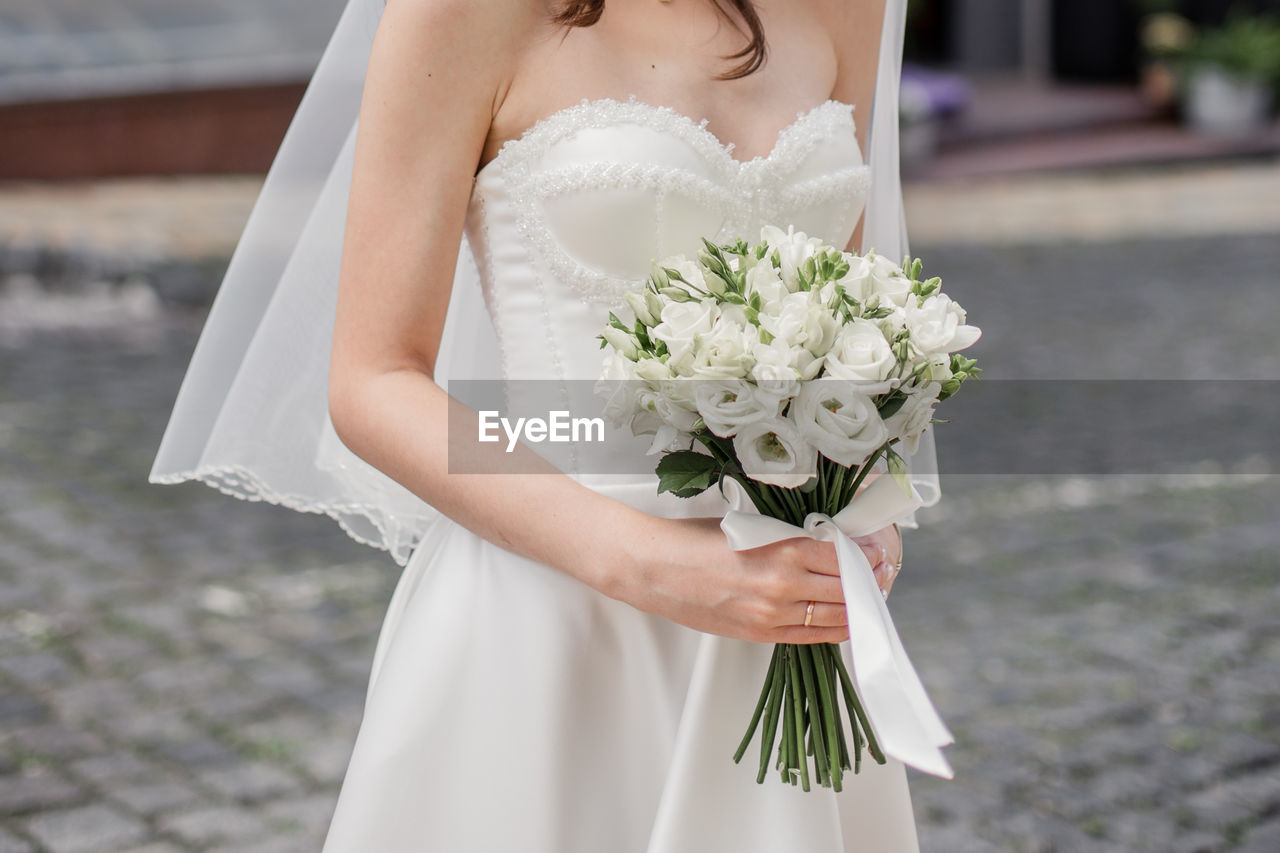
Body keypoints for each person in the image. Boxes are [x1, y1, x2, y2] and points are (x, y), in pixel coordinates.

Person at [152, 0, 944, 849]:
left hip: (786, 608)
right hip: (553, 621)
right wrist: (648, 560)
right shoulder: (459, 15)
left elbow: (843, 307)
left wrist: (861, 484)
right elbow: (376, 381)